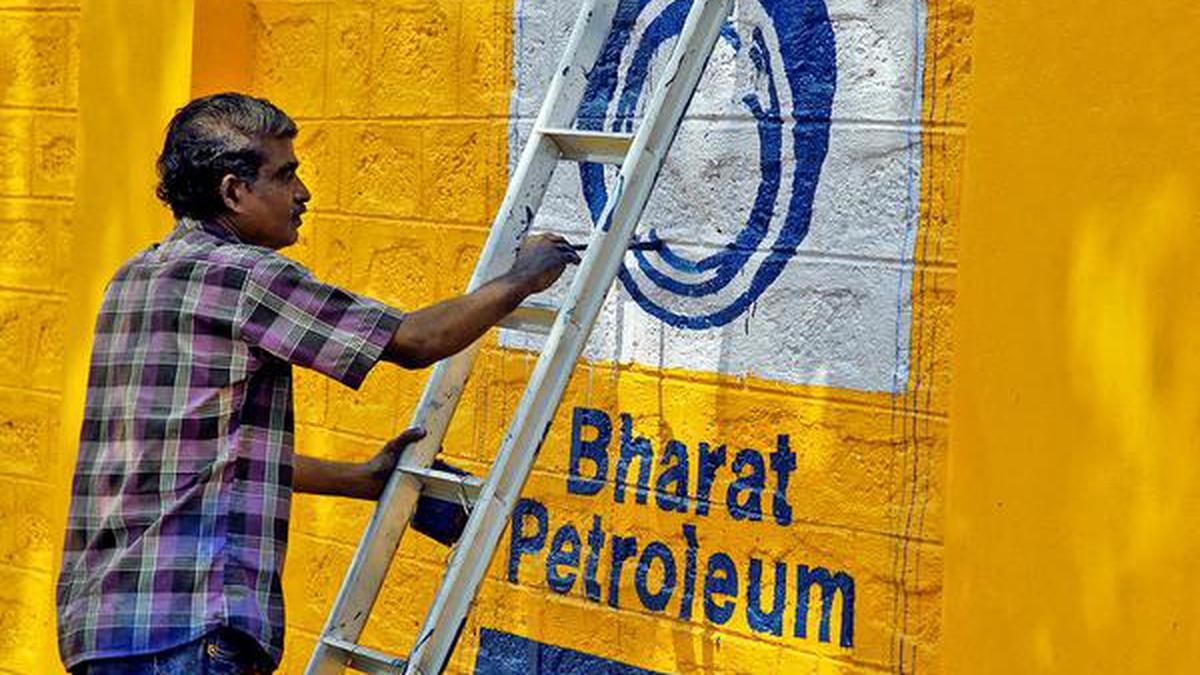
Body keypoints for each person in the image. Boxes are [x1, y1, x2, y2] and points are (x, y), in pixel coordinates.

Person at [55, 93, 580, 674]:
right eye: (285, 176)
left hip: (103, 628)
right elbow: (416, 341)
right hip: (189, 627)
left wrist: (359, 480)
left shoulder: (133, 278)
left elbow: (200, 453)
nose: (303, 193)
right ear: (233, 192)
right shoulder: (246, 277)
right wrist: (521, 279)